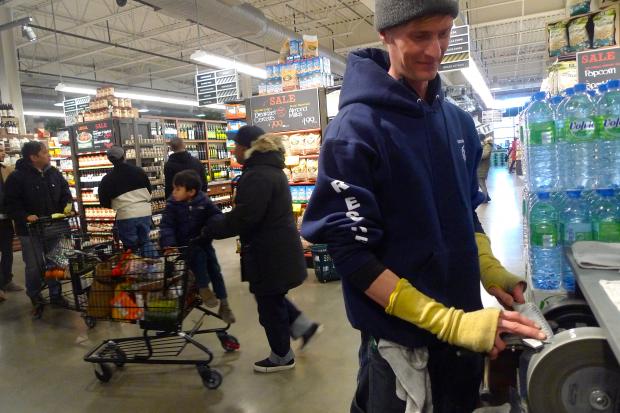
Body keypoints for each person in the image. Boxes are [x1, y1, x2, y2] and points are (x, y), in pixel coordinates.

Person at [300, 1, 546, 411]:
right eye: (420, 35)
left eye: (444, 33)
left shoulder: (458, 123)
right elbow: (351, 253)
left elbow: (464, 212)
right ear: (386, 34)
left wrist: (489, 269)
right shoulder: (354, 131)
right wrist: (446, 322)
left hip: (465, 337)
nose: (434, 50)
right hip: (402, 348)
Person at [202, 125, 321, 373]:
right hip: (277, 247)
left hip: (268, 251)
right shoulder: (270, 169)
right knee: (272, 296)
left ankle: (281, 356)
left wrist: (212, 228)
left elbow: (247, 217)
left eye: (236, 145)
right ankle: (304, 328)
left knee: (269, 305)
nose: (234, 150)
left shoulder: (257, 175)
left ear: (247, 147)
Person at [159, 170, 235, 324]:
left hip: (203, 241)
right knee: (199, 260)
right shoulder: (172, 205)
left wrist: (213, 225)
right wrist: (169, 244)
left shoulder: (204, 202)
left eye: (178, 189)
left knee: (215, 269)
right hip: (186, 246)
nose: (173, 192)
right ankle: (203, 287)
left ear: (191, 192)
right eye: (174, 188)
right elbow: (166, 226)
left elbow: (217, 215)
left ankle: (224, 302)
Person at [4, 141, 71, 311]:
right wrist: (25, 216)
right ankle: (35, 296)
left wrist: (66, 206)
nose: (49, 155)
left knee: (56, 261)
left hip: (55, 226)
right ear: (33, 157)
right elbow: (10, 204)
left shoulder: (54, 173)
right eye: (45, 152)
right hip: (30, 230)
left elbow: (65, 193)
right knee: (34, 266)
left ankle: (56, 294)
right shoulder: (17, 178)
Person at [98, 146, 157, 257]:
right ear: (124, 156)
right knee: (145, 242)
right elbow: (149, 190)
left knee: (131, 247)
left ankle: (136, 270)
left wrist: (117, 204)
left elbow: (103, 202)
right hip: (144, 212)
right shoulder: (138, 171)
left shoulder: (107, 179)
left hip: (125, 215)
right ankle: (154, 267)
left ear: (110, 160)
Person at [0, 145, 23, 302]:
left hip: (6, 218)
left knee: (7, 252)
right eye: (0, 150)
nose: (4, 153)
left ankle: (6, 280)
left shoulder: (6, 169)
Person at [477, 133, 493, 203]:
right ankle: (486, 197)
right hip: (480, 168)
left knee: (481, 183)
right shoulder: (484, 145)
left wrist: (476, 155)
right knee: (481, 183)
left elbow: (484, 155)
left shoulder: (487, 146)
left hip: (482, 168)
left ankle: (485, 199)